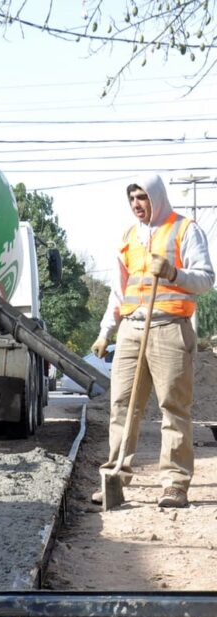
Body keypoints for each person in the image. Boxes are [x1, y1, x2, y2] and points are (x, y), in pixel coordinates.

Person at [90, 174, 213, 508]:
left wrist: (173, 273)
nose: (136, 204)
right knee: (122, 405)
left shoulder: (185, 230)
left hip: (170, 328)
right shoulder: (129, 236)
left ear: (156, 197)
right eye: (131, 199)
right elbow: (119, 291)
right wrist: (105, 331)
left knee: (173, 407)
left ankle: (175, 484)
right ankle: (115, 477)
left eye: (141, 197)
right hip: (131, 330)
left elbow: (206, 278)